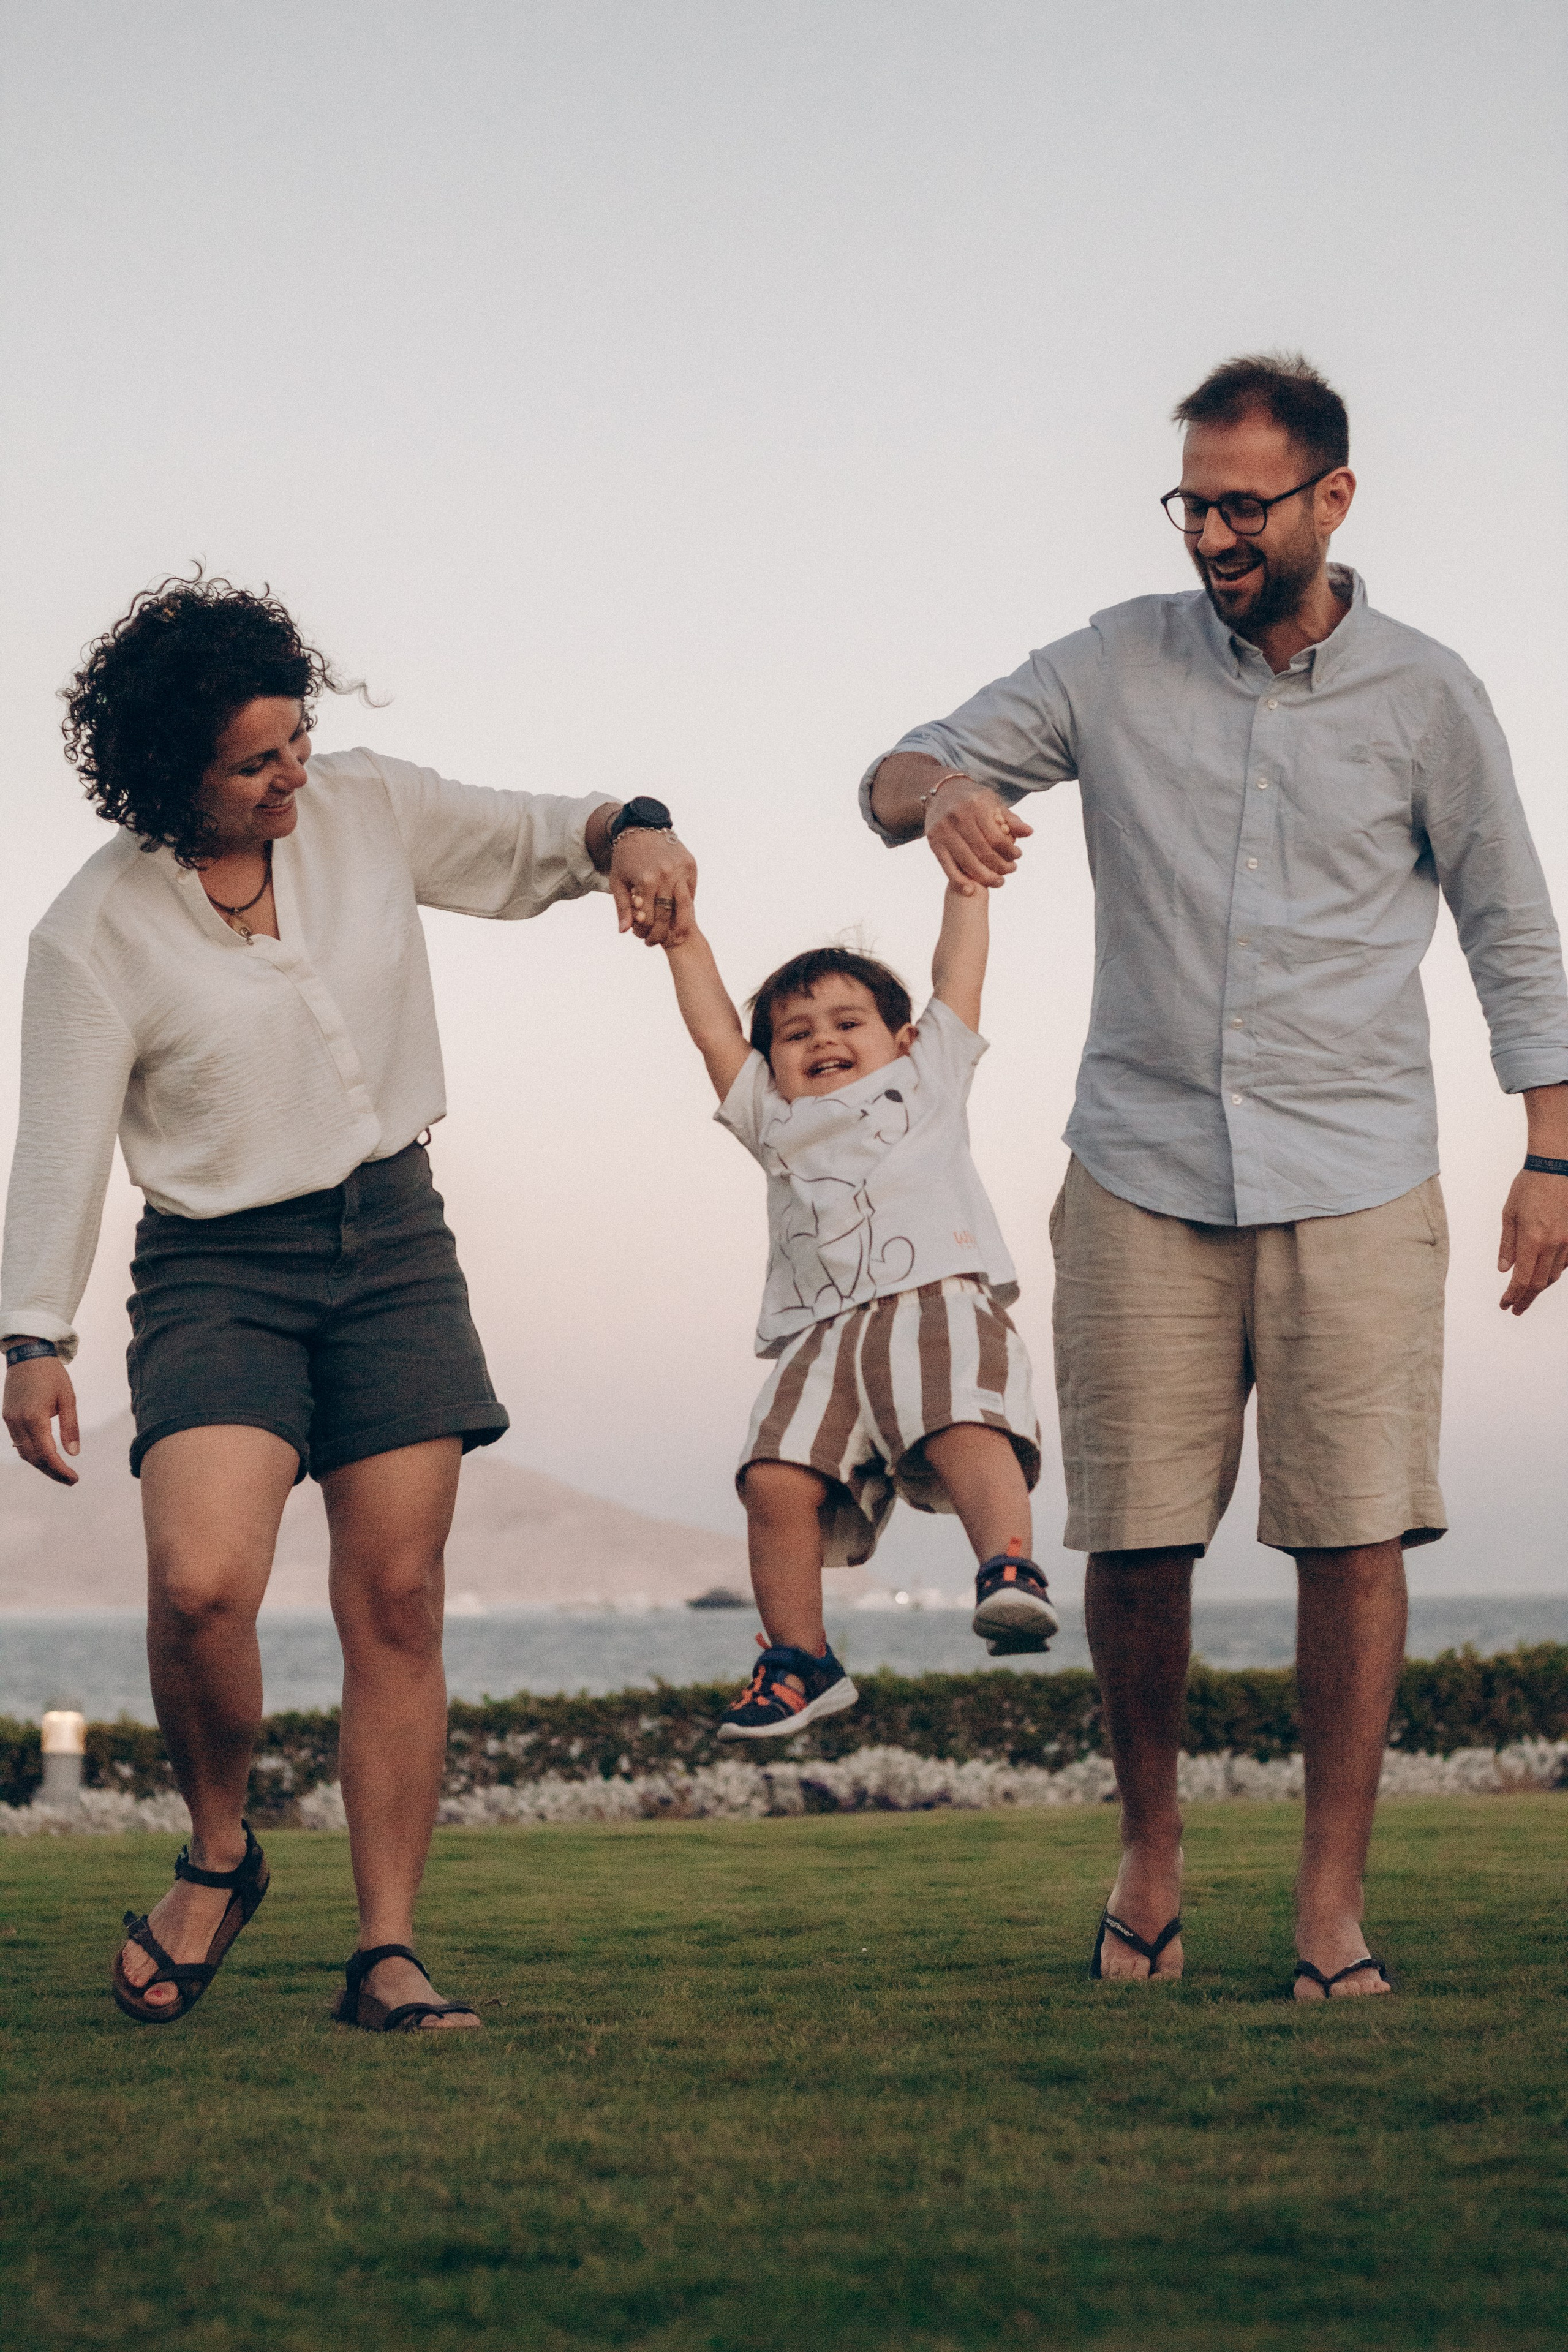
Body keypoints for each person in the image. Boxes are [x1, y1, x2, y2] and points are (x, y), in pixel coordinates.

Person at [861, 353, 1568, 1997]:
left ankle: (1331, 1908)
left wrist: (1553, 1148)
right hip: (1141, 1165)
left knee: (1354, 1536)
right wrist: (952, 791)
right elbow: (894, 770)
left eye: (1247, 503)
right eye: (1195, 501)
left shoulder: (1429, 692)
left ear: (1333, 498)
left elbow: (1514, 930)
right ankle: (1151, 1860)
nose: (1216, 532)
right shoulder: (1112, 660)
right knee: (1139, 1538)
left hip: (1360, 1171)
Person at [1, 575, 696, 2029]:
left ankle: (385, 1949)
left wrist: (632, 830)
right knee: (201, 1585)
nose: (291, 778)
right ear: (164, 771)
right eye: (254, 763)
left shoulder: (366, 810)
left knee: (396, 1596)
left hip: (390, 1240)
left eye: (297, 742)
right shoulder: (93, 932)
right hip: (214, 1271)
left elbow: (543, 832)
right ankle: (219, 1850)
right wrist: (32, 1332)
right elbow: (59, 1141)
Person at [652, 870, 1053, 1738]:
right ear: (773, 1067)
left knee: (961, 1425)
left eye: (846, 1022)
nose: (821, 1040)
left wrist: (966, 886)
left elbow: (958, 974)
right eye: (794, 1034)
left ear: (904, 1039)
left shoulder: (930, 1076)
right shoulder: (774, 1116)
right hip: (819, 1336)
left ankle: (1009, 1572)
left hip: (934, 1301)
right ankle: (802, 1660)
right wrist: (685, 941)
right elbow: (716, 1030)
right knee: (773, 1477)